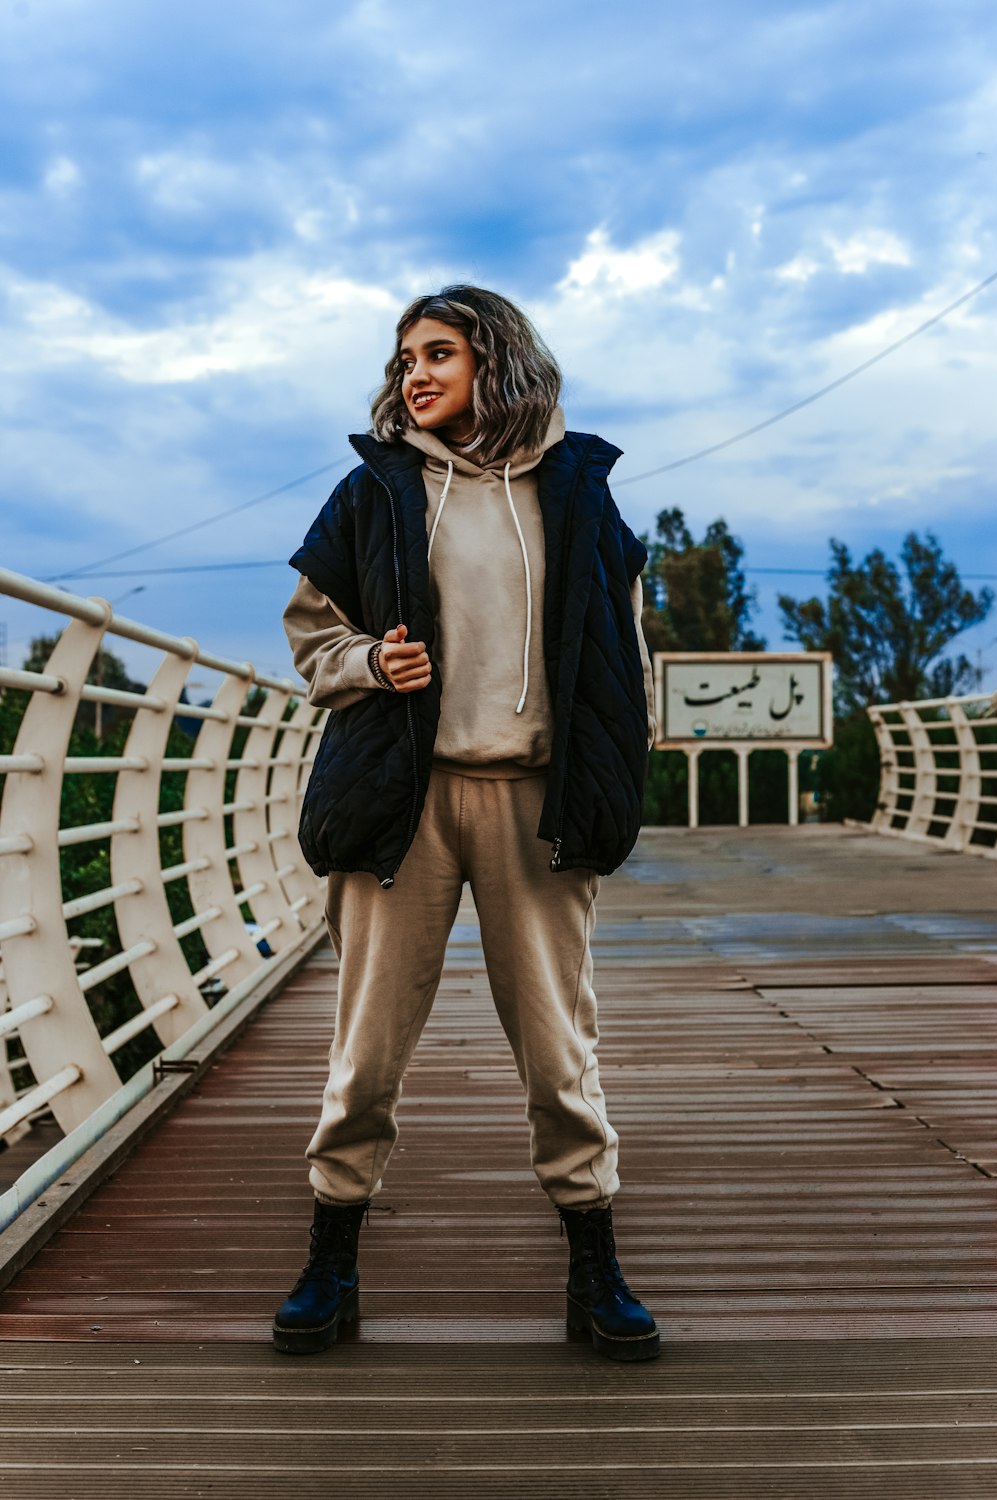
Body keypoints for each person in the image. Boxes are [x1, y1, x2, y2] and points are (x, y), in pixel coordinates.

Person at [273, 285, 659, 1362]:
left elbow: (620, 658)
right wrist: (367, 664)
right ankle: (329, 1259)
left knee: (557, 1050)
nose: (416, 376)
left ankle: (594, 1270)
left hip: (533, 804)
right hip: (401, 798)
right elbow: (313, 633)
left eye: (439, 353)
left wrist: (609, 781)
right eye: (404, 361)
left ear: (498, 358)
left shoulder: (579, 491)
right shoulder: (374, 491)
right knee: (366, 1050)